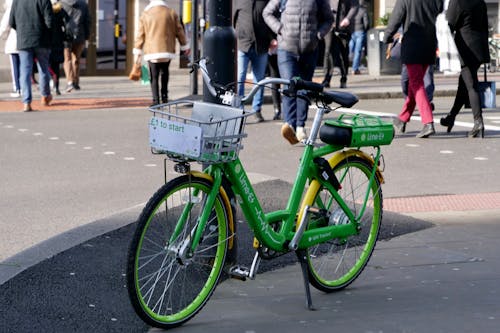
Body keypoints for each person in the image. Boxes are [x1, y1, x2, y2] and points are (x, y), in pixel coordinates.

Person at [263, 0, 333, 144]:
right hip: (286, 49)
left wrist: (318, 35)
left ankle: (300, 126)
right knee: (290, 85)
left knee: (304, 89)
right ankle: (290, 125)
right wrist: (279, 28)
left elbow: (329, 19)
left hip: (309, 50)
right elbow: (267, 12)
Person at [384, 0, 443, 138]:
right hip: (429, 44)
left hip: (413, 46)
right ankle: (402, 118)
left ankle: (428, 122)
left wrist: (387, 36)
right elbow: (439, 8)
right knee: (414, 84)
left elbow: (396, 18)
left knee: (416, 84)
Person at [440, 0, 490, 138]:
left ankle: (478, 122)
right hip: (479, 48)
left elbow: (449, 25)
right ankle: (451, 117)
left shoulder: (457, 1)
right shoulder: (480, 2)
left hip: (465, 48)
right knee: (464, 86)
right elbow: (485, 26)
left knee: (471, 86)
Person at [133, 0, 190, 106]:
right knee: (165, 72)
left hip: (152, 51)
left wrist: (138, 50)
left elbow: (140, 34)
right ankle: (164, 98)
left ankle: (155, 100)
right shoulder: (171, 12)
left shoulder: (146, 14)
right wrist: (184, 46)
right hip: (166, 49)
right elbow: (179, 30)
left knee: (153, 76)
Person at [9, 0, 54, 112]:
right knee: (43, 69)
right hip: (42, 40)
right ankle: (45, 96)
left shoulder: (17, 1)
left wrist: (22, 31)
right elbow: (50, 22)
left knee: (25, 71)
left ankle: (26, 102)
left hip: (24, 40)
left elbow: (12, 22)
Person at [234, 0, 274, 123]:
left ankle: (257, 110)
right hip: (243, 44)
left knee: (259, 81)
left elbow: (271, 18)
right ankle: (238, 110)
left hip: (261, 46)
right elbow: (234, 19)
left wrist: (272, 38)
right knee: (240, 79)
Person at [322, 0, 359, 89]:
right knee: (328, 52)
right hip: (329, 25)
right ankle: (327, 79)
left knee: (343, 53)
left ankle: (343, 78)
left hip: (344, 27)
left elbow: (355, 6)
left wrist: (348, 18)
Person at [60, 0, 90, 92]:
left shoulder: (61, 4)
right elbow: (88, 21)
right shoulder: (83, 4)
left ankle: (70, 82)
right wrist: (87, 35)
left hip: (66, 35)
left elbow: (58, 20)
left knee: (67, 59)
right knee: (76, 59)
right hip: (80, 34)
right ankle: (76, 82)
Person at [0, 0, 20, 97]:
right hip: (25, 42)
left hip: (13, 42)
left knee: (15, 67)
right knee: (24, 67)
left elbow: (3, 26)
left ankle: (17, 89)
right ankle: (24, 88)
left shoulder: (10, 10)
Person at [49, 0, 66, 95]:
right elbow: (66, 24)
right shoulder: (60, 10)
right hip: (58, 42)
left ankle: (49, 86)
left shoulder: (45, 9)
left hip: (47, 42)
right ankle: (56, 86)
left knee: (46, 65)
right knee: (56, 66)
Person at [348, 0, 368, 75]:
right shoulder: (363, 11)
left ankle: (347, 64)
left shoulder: (352, 10)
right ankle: (354, 69)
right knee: (358, 51)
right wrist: (365, 29)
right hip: (360, 32)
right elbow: (366, 23)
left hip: (352, 32)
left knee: (350, 49)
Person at [267, 38, 282, 120]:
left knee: (289, 81)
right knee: (275, 82)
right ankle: (277, 109)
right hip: (274, 51)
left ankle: (290, 110)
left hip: (288, 48)